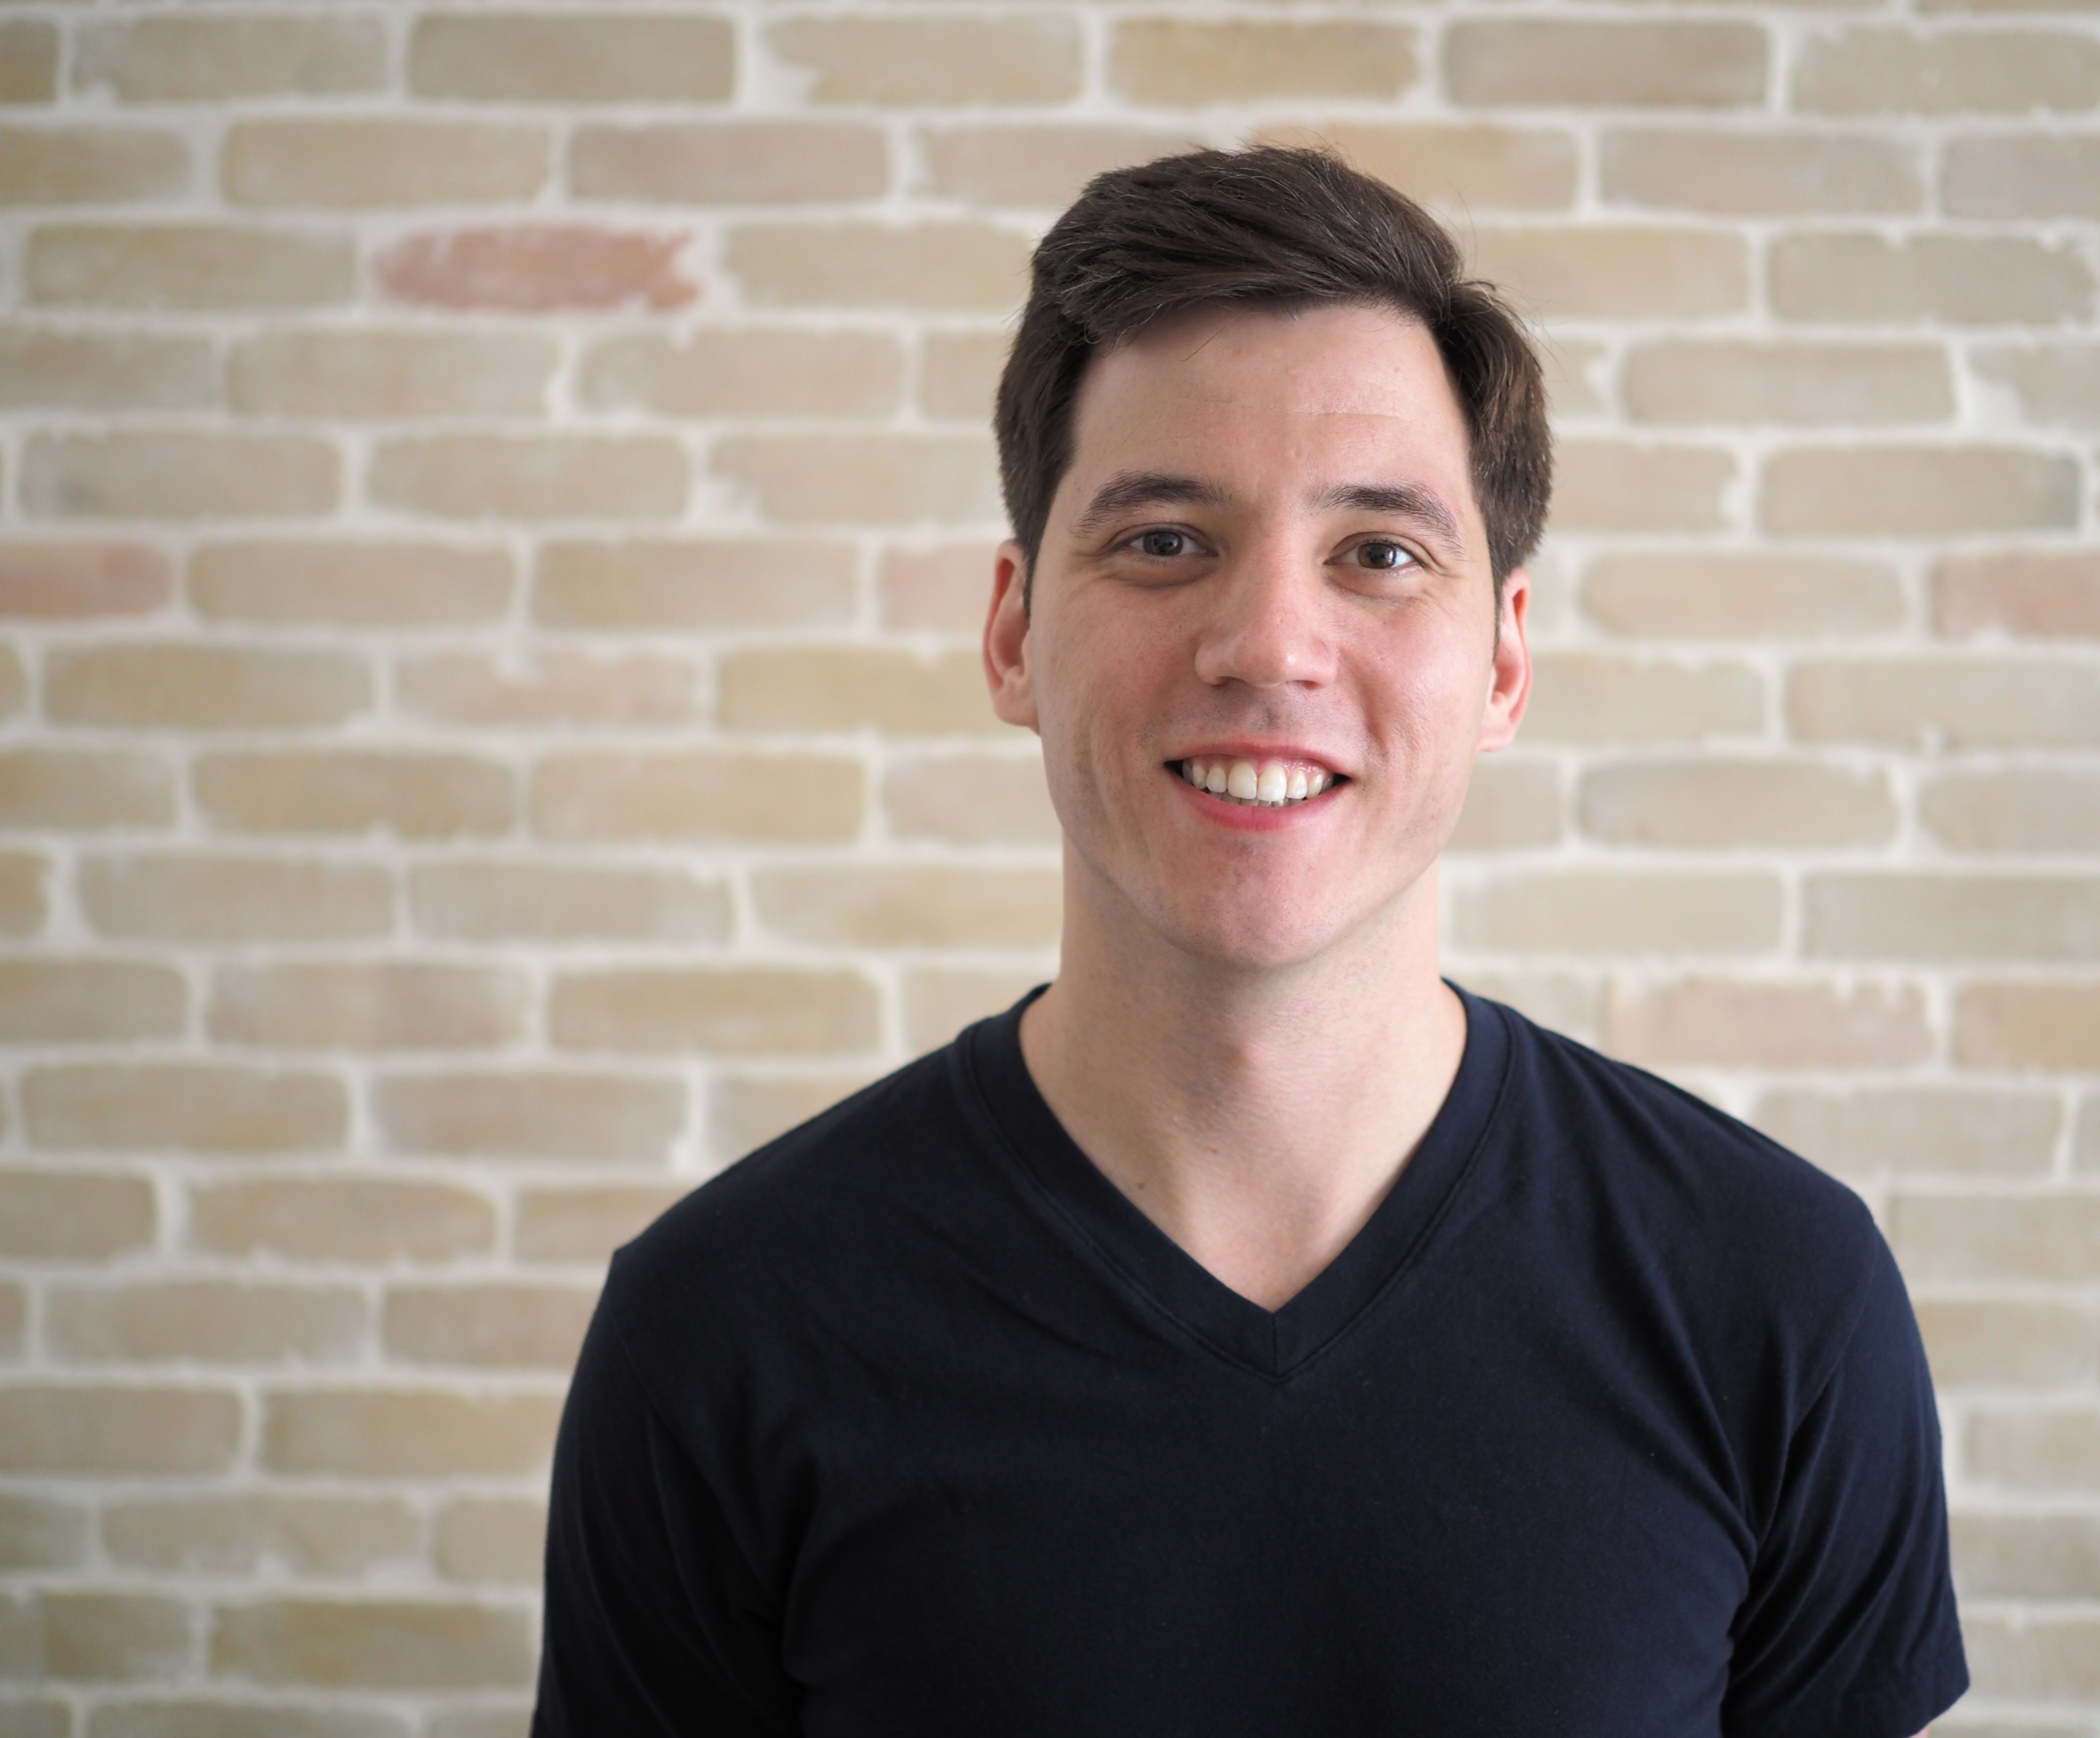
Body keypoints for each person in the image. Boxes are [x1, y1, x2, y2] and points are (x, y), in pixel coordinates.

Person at [531, 147, 1967, 1737]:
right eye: (1163, 540)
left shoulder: (1775, 1297)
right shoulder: (725, 1324)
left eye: (1381, 554)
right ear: (1013, 634)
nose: (1271, 645)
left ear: (1504, 665)